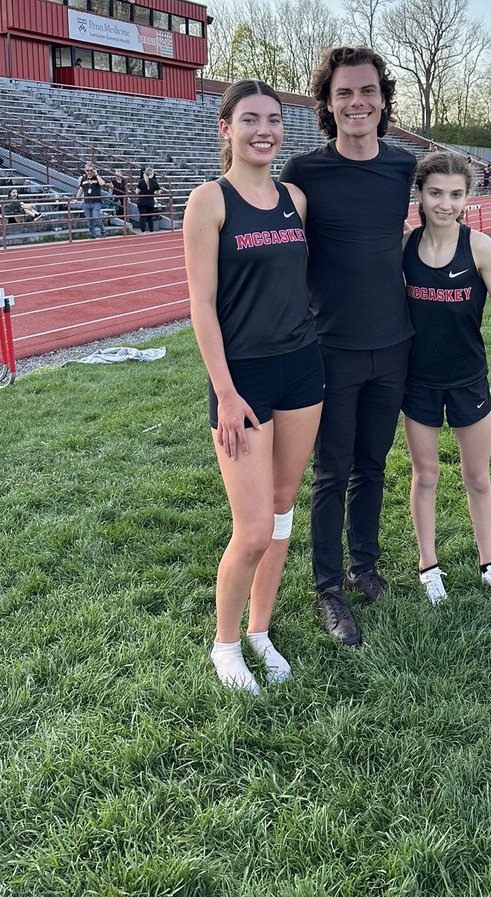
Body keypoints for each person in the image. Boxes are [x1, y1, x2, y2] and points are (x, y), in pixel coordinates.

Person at [183, 79, 324, 694]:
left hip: (303, 366)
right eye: (250, 120)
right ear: (226, 129)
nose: (264, 129)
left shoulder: (295, 197)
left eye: (273, 119)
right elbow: (201, 305)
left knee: (283, 507)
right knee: (253, 529)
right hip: (242, 379)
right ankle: (225, 645)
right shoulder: (208, 201)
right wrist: (226, 390)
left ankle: (261, 630)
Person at [279, 45, 416, 647]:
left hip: (395, 341)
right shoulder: (304, 174)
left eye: (367, 92)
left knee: (374, 465)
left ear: (383, 99)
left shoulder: (402, 166)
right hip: (330, 344)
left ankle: (365, 566)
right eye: (344, 94)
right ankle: (328, 588)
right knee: (331, 472)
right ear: (328, 105)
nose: (357, 103)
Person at [401, 153, 491, 608]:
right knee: (427, 474)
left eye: (456, 194)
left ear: (468, 197)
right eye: (435, 193)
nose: (445, 204)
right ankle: (428, 567)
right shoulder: (405, 248)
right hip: (418, 382)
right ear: (419, 194)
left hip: (468, 379)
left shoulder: (480, 247)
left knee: (478, 477)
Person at [76, 162, 106, 238]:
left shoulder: (96, 178)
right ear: (85, 171)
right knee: (89, 221)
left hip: (96, 202)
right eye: (87, 170)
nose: (89, 172)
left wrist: (97, 174)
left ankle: (103, 230)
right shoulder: (83, 179)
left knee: (96, 217)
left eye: (91, 170)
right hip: (86, 202)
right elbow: (81, 189)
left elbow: (102, 183)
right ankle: (93, 235)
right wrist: (77, 199)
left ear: (94, 170)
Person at [136, 166, 161, 232]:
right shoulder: (154, 182)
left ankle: (143, 232)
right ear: (151, 174)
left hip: (142, 201)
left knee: (142, 217)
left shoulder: (141, 181)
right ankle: (151, 231)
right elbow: (159, 192)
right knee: (150, 217)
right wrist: (155, 193)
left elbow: (137, 191)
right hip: (150, 201)